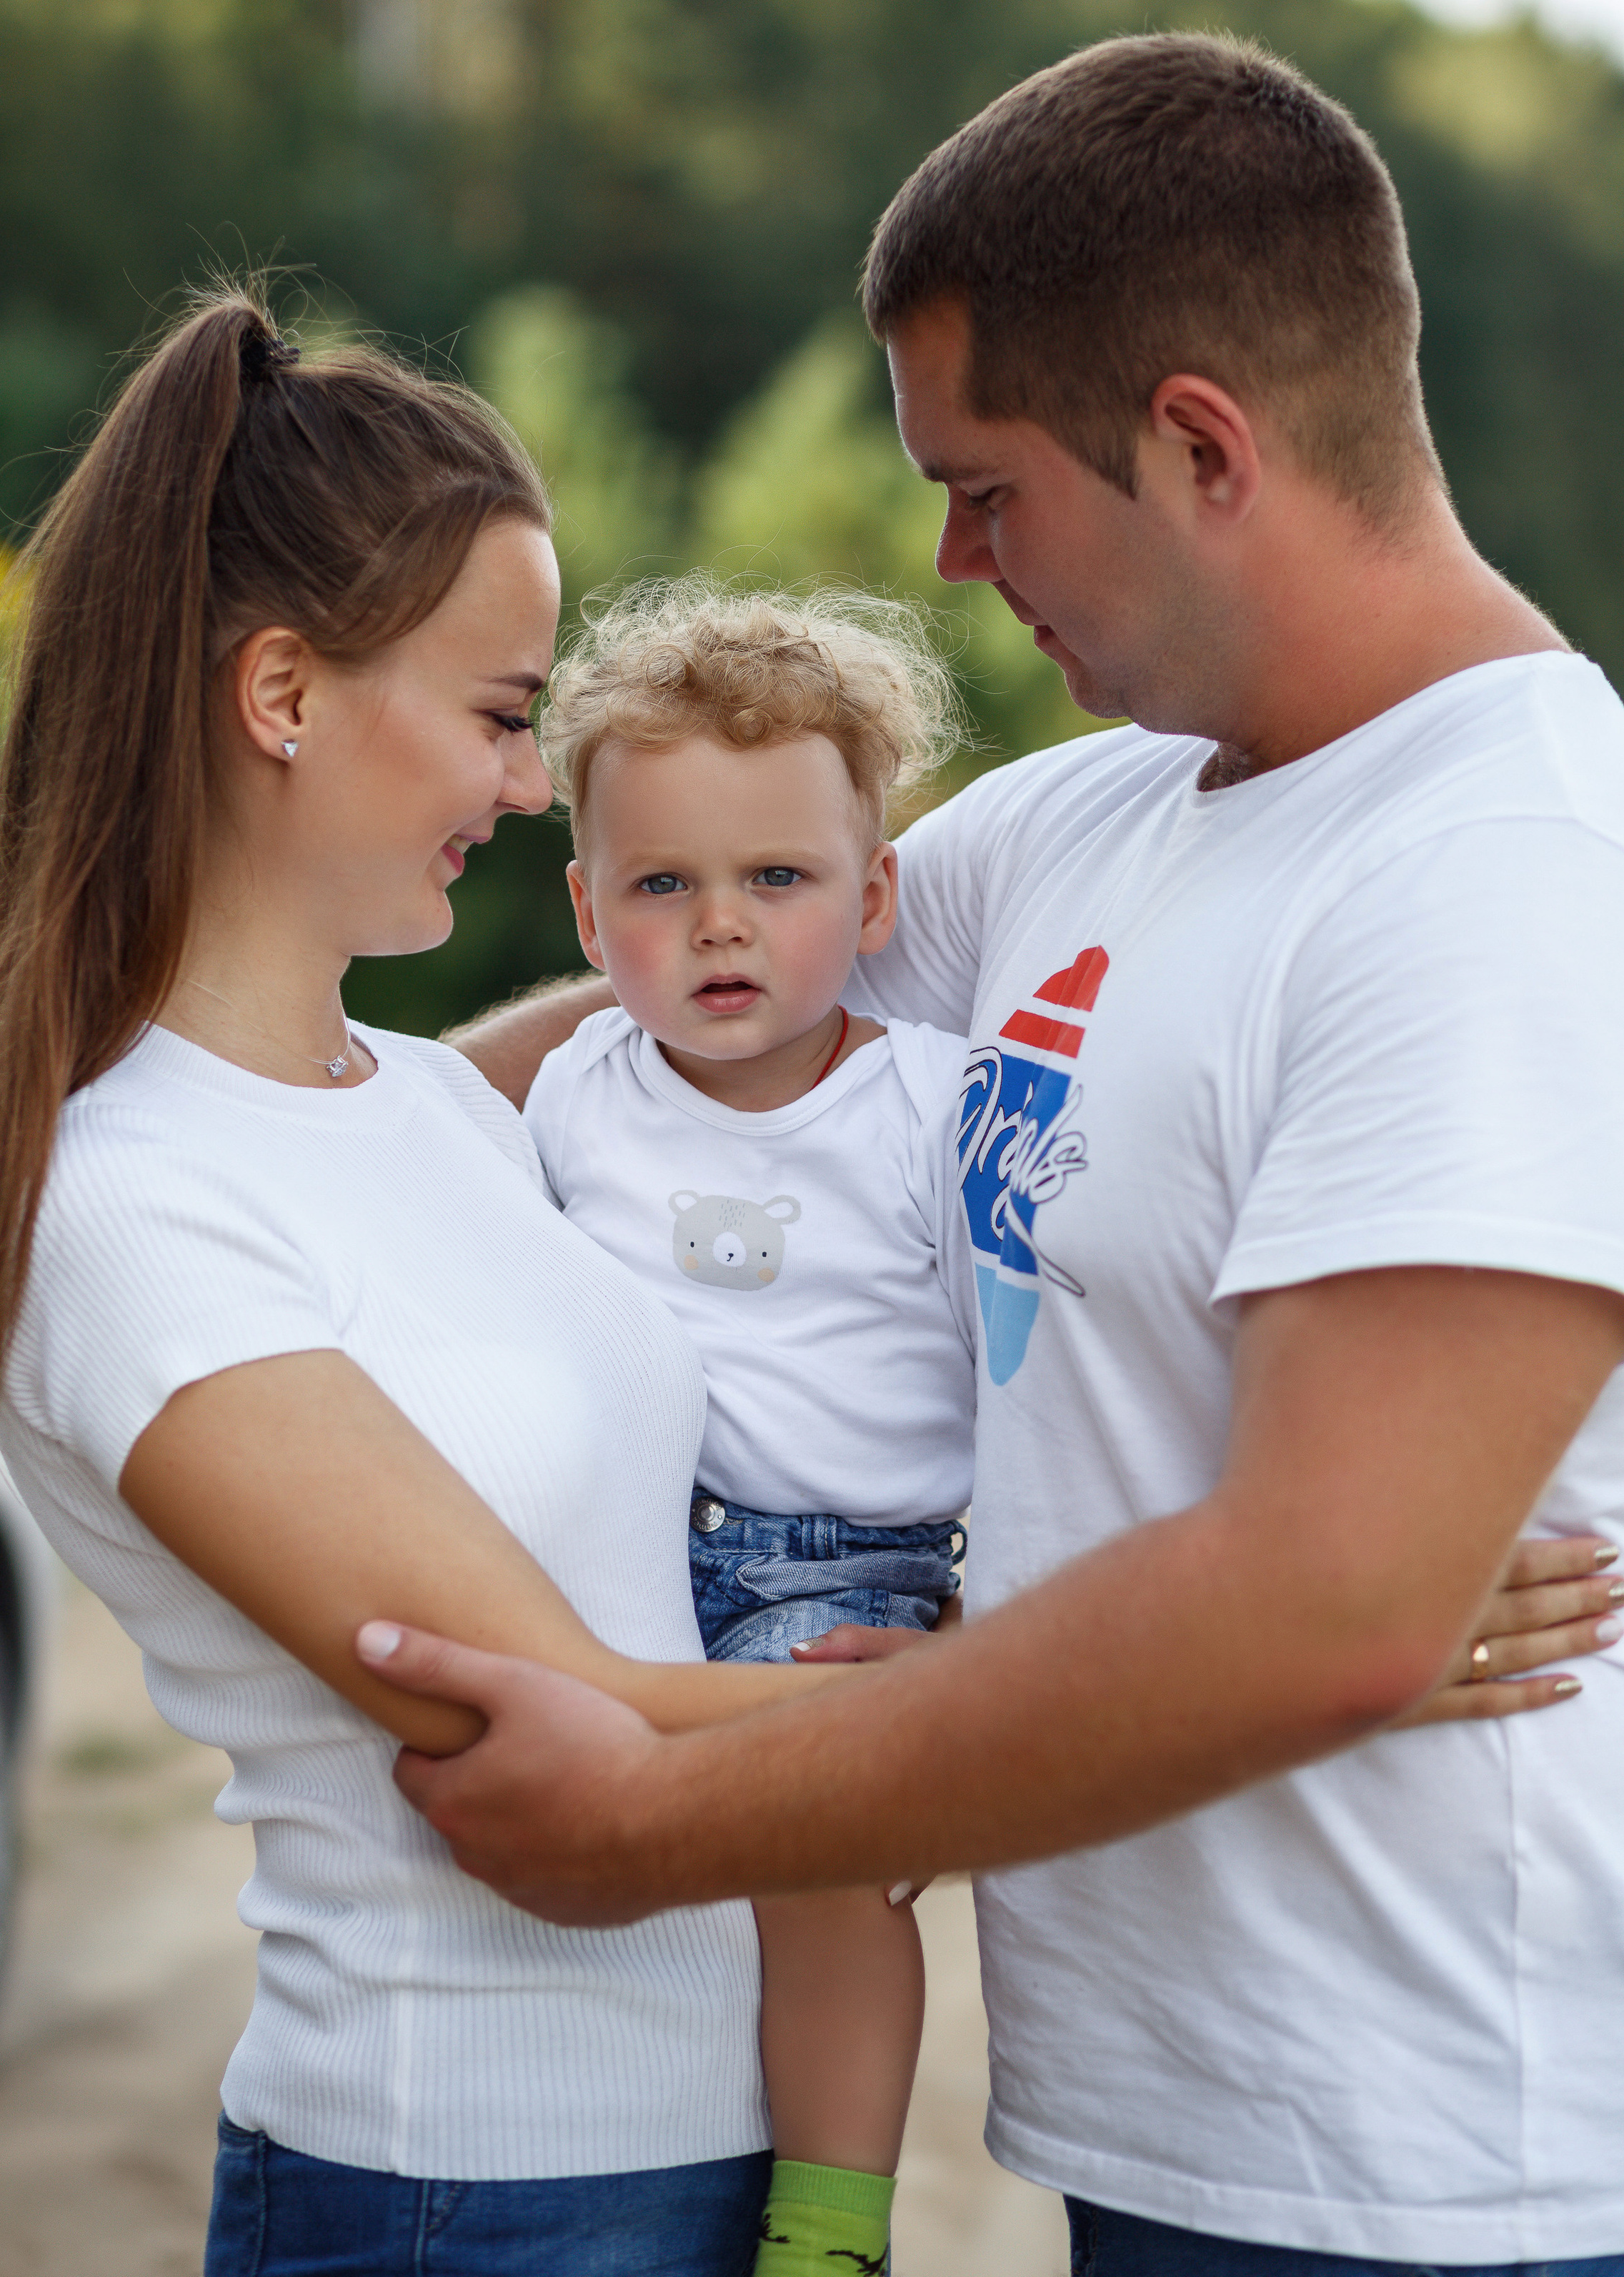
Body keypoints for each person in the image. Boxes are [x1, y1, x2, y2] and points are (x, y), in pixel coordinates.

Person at [355, 36, 1624, 2273]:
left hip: (1434, 2171)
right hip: (1165, 2128)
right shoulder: (1103, 810)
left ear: (1201, 445)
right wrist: (316, 1133)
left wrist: (664, 1810)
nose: (949, 556)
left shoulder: (1502, 868)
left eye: (989, 486)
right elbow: (703, 994)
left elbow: (1331, 1609)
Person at [0, 295, 895, 2277]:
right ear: (282, 690)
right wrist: (1233, 1659)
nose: (534, 787)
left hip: (698, 2166)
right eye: (502, 710)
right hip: (462, 2202)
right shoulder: (129, 1206)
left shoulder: (435, 1109)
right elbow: (580, 1717)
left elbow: (686, 1012)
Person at [525, 580, 978, 2277]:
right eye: (663, 885)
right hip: (619, 1547)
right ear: (585, 911)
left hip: (839, 1570)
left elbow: (1028, 1374)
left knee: (819, 1864)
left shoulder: (928, 1106)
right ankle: (606, 2142)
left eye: (775, 880)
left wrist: (984, 1609)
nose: (720, 928)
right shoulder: (573, 1091)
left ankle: (827, 2224)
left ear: (871, 899)